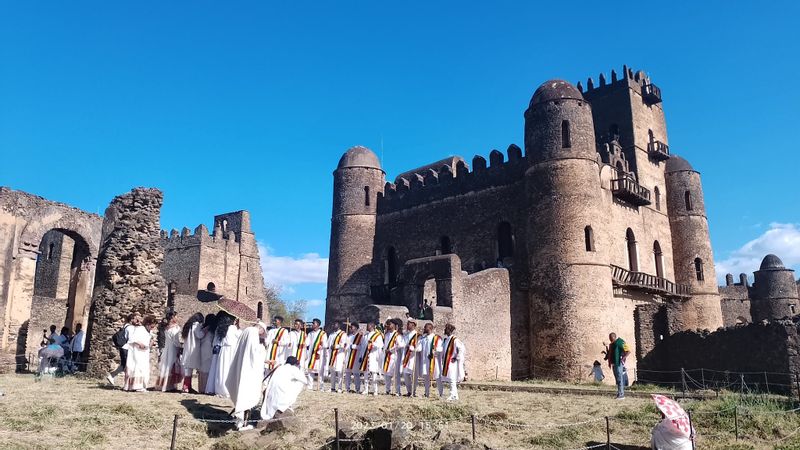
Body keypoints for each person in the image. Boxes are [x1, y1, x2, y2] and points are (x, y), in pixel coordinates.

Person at [226, 322, 268, 431]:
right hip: (248, 370)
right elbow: (253, 352)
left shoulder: (246, 331)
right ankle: (243, 424)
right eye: (262, 333)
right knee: (246, 396)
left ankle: (240, 421)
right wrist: (262, 351)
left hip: (242, 366)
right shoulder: (253, 332)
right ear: (261, 329)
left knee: (241, 394)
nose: (261, 335)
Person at [261, 356, 308, 420]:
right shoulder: (293, 369)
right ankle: (284, 406)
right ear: (294, 364)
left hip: (270, 400)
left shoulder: (280, 367)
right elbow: (305, 380)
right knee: (300, 383)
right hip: (281, 399)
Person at [123, 314, 157, 392]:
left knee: (144, 369)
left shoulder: (149, 332)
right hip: (137, 352)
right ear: (147, 324)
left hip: (144, 353)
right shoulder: (140, 329)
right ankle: (136, 386)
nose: (152, 328)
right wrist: (139, 343)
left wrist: (151, 343)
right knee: (137, 368)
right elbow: (132, 339)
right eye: (151, 326)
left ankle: (141, 385)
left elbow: (148, 344)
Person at [212, 312, 241, 398]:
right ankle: (227, 389)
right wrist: (238, 327)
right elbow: (240, 336)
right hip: (231, 350)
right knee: (229, 370)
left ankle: (220, 389)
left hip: (223, 350)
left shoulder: (220, 328)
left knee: (221, 369)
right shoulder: (233, 328)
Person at [155, 311, 183, 392]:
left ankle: (164, 384)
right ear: (172, 318)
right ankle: (169, 385)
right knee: (171, 364)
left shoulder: (166, 327)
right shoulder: (175, 328)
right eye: (176, 316)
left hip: (167, 347)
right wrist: (180, 346)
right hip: (173, 348)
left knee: (166, 364)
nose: (177, 318)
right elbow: (176, 340)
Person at [438, 323, 466, 401]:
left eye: (446, 329)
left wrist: (457, 357)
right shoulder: (446, 340)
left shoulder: (455, 340)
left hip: (452, 362)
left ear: (449, 330)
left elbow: (461, 349)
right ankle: (455, 395)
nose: (445, 330)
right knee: (450, 379)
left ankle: (453, 395)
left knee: (452, 379)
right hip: (446, 362)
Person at [107, 313, 136, 385]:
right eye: (135, 319)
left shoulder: (125, 326)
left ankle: (113, 376)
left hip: (123, 348)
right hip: (127, 348)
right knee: (128, 365)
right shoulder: (131, 328)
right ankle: (125, 382)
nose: (137, 320)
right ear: (132, 319)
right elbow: (131, 339)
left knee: (124, 365)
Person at [180, 313, 205, 393]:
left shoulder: (189, 325)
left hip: (187, 348)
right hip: (193, 349)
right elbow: (199, 335)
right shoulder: (196, 325)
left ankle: (188, 386)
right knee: (189, 369)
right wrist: (205, 330)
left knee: (188, 369)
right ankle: (186, 387)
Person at [358, 322, 384, 396]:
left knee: (373, 373)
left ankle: (375, 390)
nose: (367, 327)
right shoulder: (365, 336)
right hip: (365, 356)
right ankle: (366, 389)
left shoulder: (377, 335)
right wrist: (360, 356)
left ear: (372, 326)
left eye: (368, 325)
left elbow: (380, 345)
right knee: (366, 373)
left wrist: (373, 343)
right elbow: (362, 347)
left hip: (373, 355)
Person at [418, 323, 443, 398]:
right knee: (426, 377)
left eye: (425, 327)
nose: (424, 329)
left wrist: (435, 351)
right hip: (425, 360)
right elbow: (419, 348)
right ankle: (427, 393)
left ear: (430, 328)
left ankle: (440, 393)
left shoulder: (436, 338)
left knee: (437, 376)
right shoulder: (423, 339)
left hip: (434, 360)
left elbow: (440, 348)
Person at [382, 318, 405, 396]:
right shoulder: (387, 334)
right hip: (387, 356)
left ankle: (397, 391)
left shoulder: (397, 335)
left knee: (396, 374)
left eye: (390, 324)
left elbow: (401, 345)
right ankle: (387, 389)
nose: (389, 325)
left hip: (394, 356)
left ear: (394, 325)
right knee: (387, 374)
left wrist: (391, 349)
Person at [605, 332, 629, 399]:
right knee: (617, 379)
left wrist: (623, 358)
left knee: (620, 378)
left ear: (614, 337)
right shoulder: (612, 345)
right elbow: (609, 353)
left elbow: (628, 351)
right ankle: (619, 393)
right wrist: (606, 347)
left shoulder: (620, 342)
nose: (609, 339)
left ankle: (621, 395)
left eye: (610, 337)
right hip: (614, 364)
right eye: (609, 338)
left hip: (619, 363)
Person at [305, 318, 328, 391]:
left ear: (318, 325)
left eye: (314, 323)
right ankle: (310, 386)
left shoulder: (323, 333)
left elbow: (325, 345)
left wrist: (321, 346)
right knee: (310, 370)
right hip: (311, 354)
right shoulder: (310, 333)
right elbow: (307, 343)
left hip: (319, 354)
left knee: (319, 370)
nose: (312, 325)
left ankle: (321, 386)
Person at [198, 313, 217, 394]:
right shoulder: (210, 329)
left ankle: (202, 387)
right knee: (207, 368)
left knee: (204, 368)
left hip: (204, 348)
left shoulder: (206, 328)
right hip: (208, 348)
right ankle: (205, 387)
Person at [326, 323, 348, 393]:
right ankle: (332, 387)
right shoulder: (331, 334)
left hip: (339, 354)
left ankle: (340, 388)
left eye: (334, 324)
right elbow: (328, 344)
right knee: (332, 371)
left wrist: (336, 346)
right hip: (332, 355)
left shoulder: (343, 334)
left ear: (338, 325)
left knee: (339, 371)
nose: (333, 326)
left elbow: (344, 344)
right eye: (333, 324)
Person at [401, 320, 421, 396]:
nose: (407, 326)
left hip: (413, 358)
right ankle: (409, 391)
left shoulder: (418, 336)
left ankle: (413, 391)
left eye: (408, 324)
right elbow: (403, 344)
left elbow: (419, 348)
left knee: (413, 375)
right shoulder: (406, 335)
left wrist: (413, 348)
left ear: (413, 325)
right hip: (406, 357)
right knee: (405, 374)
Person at [343, 322, 363, 393]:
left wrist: (354, 346)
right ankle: (347, 388)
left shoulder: (360, 336)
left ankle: (357, 389)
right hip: (348, 356)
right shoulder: (348, 336)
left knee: (356, 373)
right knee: (347, 373)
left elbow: (361, 346)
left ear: (356, 328)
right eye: (350, 327)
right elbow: (346, 346)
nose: (351, 328)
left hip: (356, 356)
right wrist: (345, 346)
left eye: (352, 327)